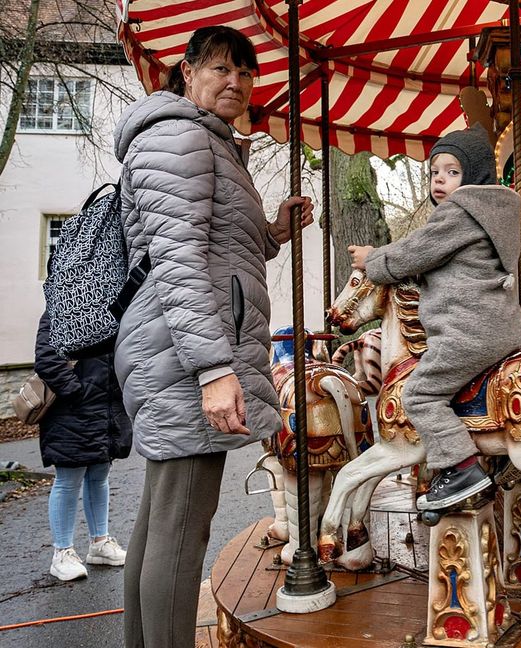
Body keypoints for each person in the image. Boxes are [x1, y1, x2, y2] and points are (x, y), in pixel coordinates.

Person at [112, 26, 313, 646]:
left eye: (246, 72)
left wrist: (273, 231)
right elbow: (177, 262)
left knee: (162, 519)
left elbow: (220, 250)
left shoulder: (211, 144)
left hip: (180, 348)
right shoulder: (181, 137)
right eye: (222, 68)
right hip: (185, 353)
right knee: (181, 529)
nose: (237, 82)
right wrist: (214, 369)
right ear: (187, 71)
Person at [348, 125, 521, 512]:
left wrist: (373, 260)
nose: (440, 180)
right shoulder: (492, 213)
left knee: (420, 392)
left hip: (470, 330)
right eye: (434, 173)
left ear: (474, 177)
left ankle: (461, 467)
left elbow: (414, 252)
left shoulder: (461, 212)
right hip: (500, 327)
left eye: (452, 172)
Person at [34, 311, 132, 581]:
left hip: (105, 411)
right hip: (72, 411)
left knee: (100, 475)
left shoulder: (112, 308)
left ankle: (99, 543)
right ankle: (62, 553)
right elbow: (46, 358)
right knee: (68, 479)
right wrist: (77, 391)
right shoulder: (62, 307)